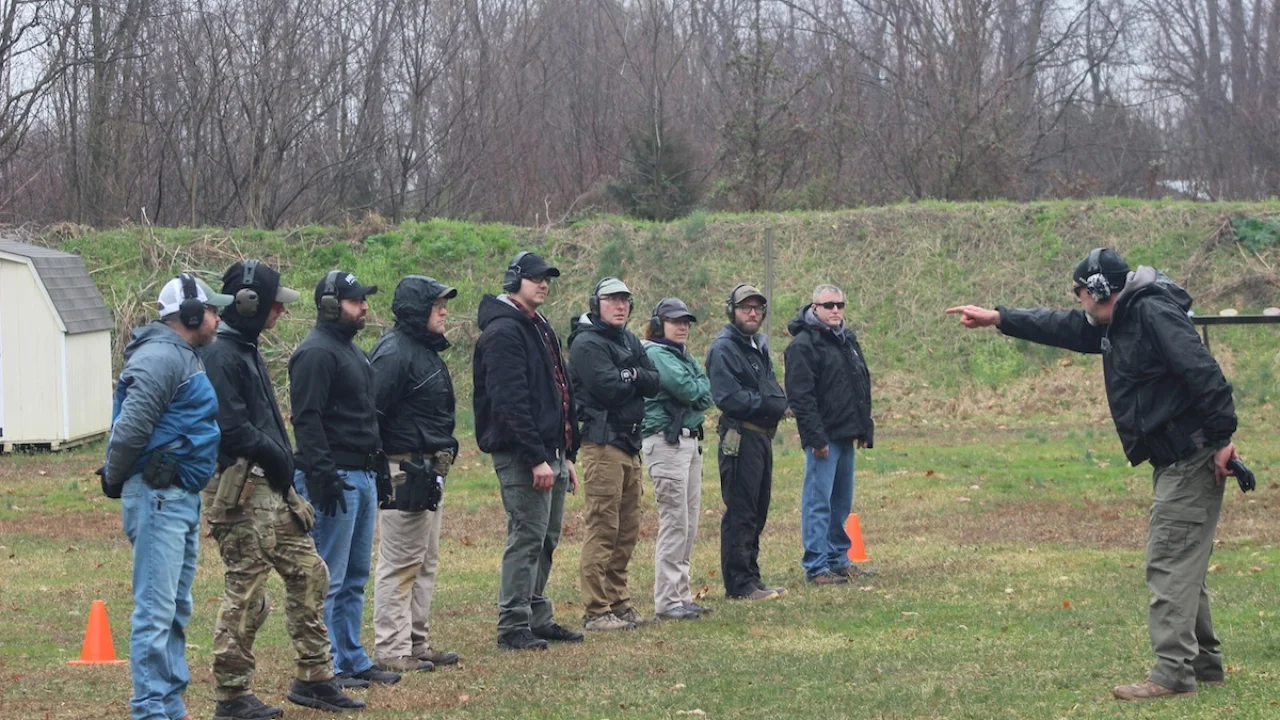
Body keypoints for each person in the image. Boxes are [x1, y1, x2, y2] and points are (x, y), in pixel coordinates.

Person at [946, 248, 1241, 701]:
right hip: (1176, 456)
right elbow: (1060, 325)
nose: (1079, 302)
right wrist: (999, 318)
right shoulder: (1120, 320)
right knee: (1184, 562)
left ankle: (1172, 674)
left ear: (1102, 291)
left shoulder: (1153, 315)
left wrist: (1222, 440)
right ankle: (1203, 664)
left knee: (1167, 560)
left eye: (1082, 292)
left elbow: (1204, 371)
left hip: (1193, 454)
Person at [201, 260, 364, 719]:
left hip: (270, 488)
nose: (280, 314)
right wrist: (278, 456)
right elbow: (232, 430)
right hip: (241, 492)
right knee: (248, 594)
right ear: (249, 304)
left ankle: (314, 678)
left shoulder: (245, 348)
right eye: (274, 305)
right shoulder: (221, 354)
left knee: (311, 574)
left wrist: (282, 463)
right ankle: (231, 695)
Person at [100, 274, 231, 720]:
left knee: (175, 609)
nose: (217, 317)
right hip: (160, 497)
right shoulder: (160, 357)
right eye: (212, 310)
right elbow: (131, 426)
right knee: (156, 613)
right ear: (191, 315)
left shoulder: (180, 355)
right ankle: (151, 711)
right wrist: (115, 476)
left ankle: (169, 706)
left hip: (177, 498)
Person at [289, 270, 408, 686]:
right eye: (356, 301)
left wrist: (376, 469)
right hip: (335, 477)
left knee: (356, 575)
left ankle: (352, 657)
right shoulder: (316, 353)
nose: (364, 308)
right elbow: (306, 419)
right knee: (331, 578)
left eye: (364, 300)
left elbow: (364, 418)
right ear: (329, 305)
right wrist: (322, 476)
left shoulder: (350, 351)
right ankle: (328, 664)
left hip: (359, 473)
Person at [474, 251, 584, 650]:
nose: (544, 283)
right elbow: (510, 402)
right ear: (514, 280)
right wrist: (536, 456)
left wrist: (565, 454)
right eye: (536, 277)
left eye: (547, 278)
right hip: (523, 454)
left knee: (546, 537)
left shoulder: (537, 326)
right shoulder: (505, 331)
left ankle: (537, 616)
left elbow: (560, 393)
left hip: (550, 451)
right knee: (527, 535)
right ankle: (512, 625)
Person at [370, 276, 462, 671]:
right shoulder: (394, 353)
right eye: (436, 305)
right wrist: (381, 468)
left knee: (424, 561)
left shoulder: (421, 350)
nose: (444, 312)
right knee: (401, 562)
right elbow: (370, 414)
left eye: (444, 305)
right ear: (416, 310)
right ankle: (392, 649)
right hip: (403, 468)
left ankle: (414, 642)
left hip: (427, 468)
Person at [568, 277, 661, 631]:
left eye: (625, 300)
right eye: (612, 300)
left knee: (627, 529)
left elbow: (653, 381)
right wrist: (634, 377)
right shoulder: (586, 343)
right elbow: (607, 388)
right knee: (603, 527)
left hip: (629, 443)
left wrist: (631, 375)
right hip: (602, 443)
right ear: (597, 303)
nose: (620, 306)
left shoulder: (629, 339)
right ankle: (596, 609)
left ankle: (619, 602)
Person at [784, 284, 875, 586]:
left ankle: (839, 559)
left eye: (839, 304)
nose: (835, 309)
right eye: (828, 305)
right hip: (823, 438)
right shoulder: (802, 345)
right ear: (814, 308)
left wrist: (864, 428)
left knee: (841, 503)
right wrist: (815, 437)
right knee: (818, 502)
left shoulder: (847, 340)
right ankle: (816, 565)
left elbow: (860, 384)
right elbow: (801, 397)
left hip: (846, 433)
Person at [706, 284, 789, 601]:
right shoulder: (724, 349)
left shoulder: (756, 345)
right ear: (732, 311)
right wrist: (772, 405)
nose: (752, 313)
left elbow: (767, 387)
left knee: (758, 509)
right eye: (745, 307)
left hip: (760, 436)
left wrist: (778, 402)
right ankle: (739, 585)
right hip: (740, 436)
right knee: (741, 510)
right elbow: (729, 398)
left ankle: (752, 578)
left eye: (757, 308)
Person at [640, 298, 715, 620]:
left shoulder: (681, 355)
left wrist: (698, 387)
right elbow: (687, 389)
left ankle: (681, 595)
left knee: (689, 523)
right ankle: (668, 601)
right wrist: (697, 387)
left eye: (685, 321)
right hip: (667, 443)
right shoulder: (656, 353)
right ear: (659, 324)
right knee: (674, 522)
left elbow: (707, 392)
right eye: (675, 321)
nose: (682, 326)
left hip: (688, 442)